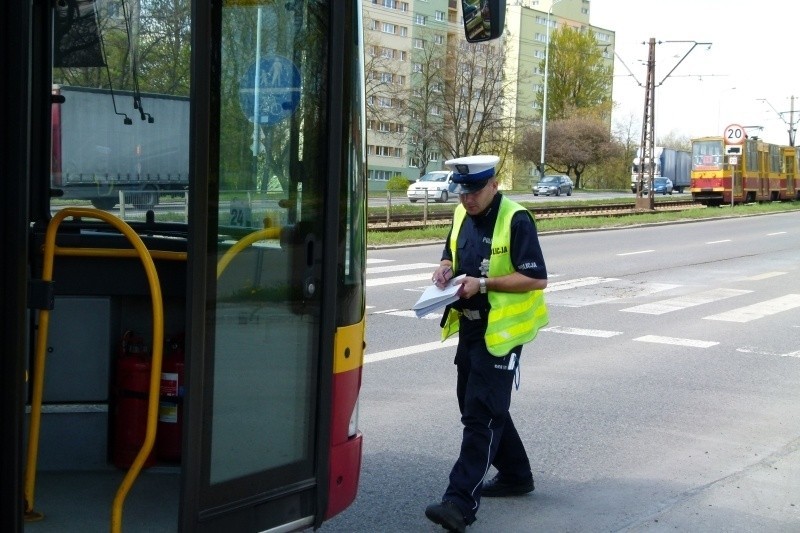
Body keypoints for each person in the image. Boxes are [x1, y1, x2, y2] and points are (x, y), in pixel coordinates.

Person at [424, 155, 549, 533]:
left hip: (504, 331)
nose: (467, 200)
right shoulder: (462, 214)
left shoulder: (516, 218)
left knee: (482, 414)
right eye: (463, 192)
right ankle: (515, 474)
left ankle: (459, 503)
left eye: (475, 191)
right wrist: (444, 267)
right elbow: (452, 252)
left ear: (494, 185)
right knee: (476, 405)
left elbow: (537, 278)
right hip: (472, 325)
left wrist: (486, 284)